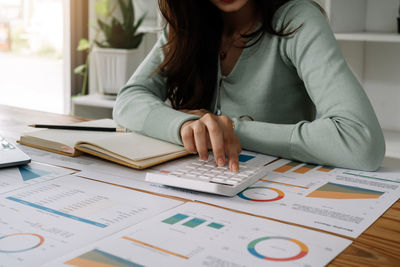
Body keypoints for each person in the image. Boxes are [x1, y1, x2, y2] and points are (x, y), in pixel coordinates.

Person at [113, 0, 385, 172]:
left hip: (278, 194)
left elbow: (361, 143)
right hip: (200, 186)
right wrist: (185, 126)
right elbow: (128, 101)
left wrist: (229, 128)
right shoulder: (187, 25)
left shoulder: (297, 20)